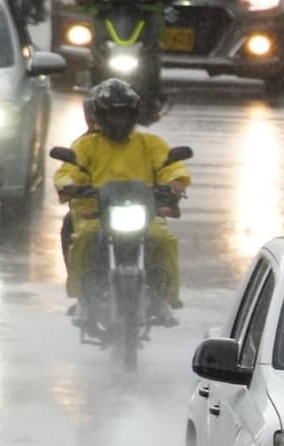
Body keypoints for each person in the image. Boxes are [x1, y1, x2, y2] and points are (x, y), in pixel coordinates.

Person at [56, 78, 189, 325]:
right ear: (101, 115)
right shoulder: (86, 145)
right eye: (113, 115)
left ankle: (164, 298)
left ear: (133, 115)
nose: (118, 120)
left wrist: (175, 182)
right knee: (84, 240)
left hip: (145, 215)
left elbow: (170, 166)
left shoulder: (150, 144)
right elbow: (69, 169)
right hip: (95, 215)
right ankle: (83, 298)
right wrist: (68, 184)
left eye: (124, 114)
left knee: (163, 239)